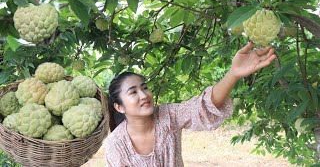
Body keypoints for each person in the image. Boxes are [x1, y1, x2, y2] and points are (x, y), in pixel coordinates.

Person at [105, 42, 276, 166]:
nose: (143, 95)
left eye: (145, 88)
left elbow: (202, 107)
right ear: (119, 107)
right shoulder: (116, 145)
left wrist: (234, 74)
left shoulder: (169, 116)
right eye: (133, 92)